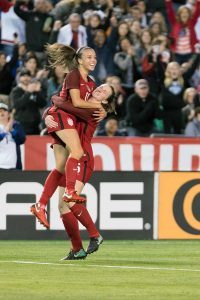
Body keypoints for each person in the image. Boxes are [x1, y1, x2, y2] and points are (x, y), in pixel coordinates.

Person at [31, 83, 115, 260]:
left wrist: (54, 102)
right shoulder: (82, 100)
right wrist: (47, 114)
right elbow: (61, 108)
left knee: (69, 200)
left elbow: (64, 105)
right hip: (71, 157)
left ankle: (95, 235)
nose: (100, 89)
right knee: (62, 205)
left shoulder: (96, 109)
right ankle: (77, 249)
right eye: (101, 86)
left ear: (106, 100)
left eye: (105, 91)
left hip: (82, 159)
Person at [10, 68, 47, 134]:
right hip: (22, 125)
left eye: (28, 76)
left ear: (30, 78)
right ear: (19, 78)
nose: (26, 78)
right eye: (23, 76)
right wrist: (28, 92)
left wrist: (37, 92)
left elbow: (43, 104)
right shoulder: (16, 90)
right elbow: (17, 105)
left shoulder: (34, 90)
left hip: (35, 125)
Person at [0, 102, 26, 169]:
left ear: (8, 114)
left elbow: (21, 140)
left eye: (4, 110)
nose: (1, 112)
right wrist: (5, 131)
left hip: (14, 166)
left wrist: (12, 130)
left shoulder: (16, 125)